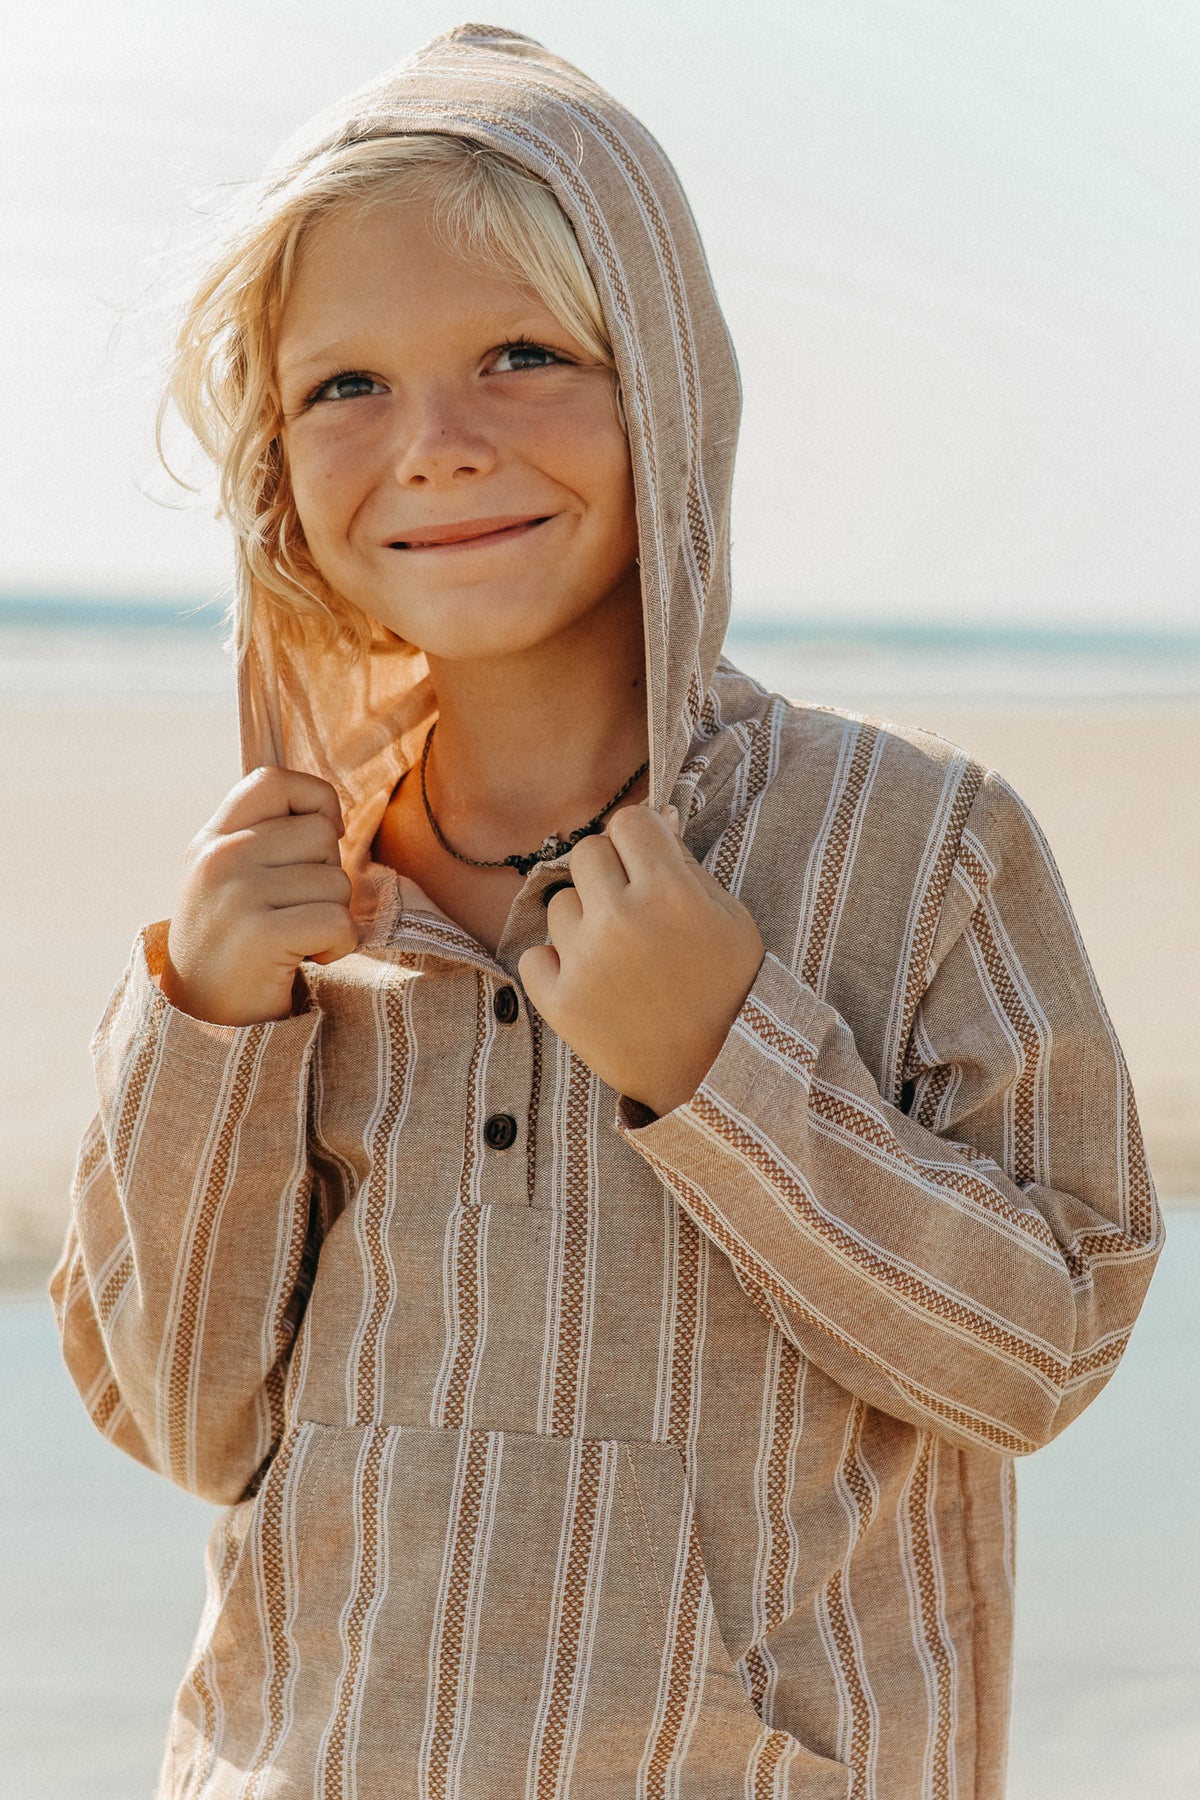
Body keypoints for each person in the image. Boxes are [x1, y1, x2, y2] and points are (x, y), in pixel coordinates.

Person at [51, 22, 1163, 1799]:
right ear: (273, 467)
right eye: (345, 385)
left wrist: (726, 1066)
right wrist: (205, 1022)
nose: (436, 444)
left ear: (666, 389)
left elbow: (1042, 1350)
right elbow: (185, 1420)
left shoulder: (919, 847)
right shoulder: (282, 907)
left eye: (522, 353)